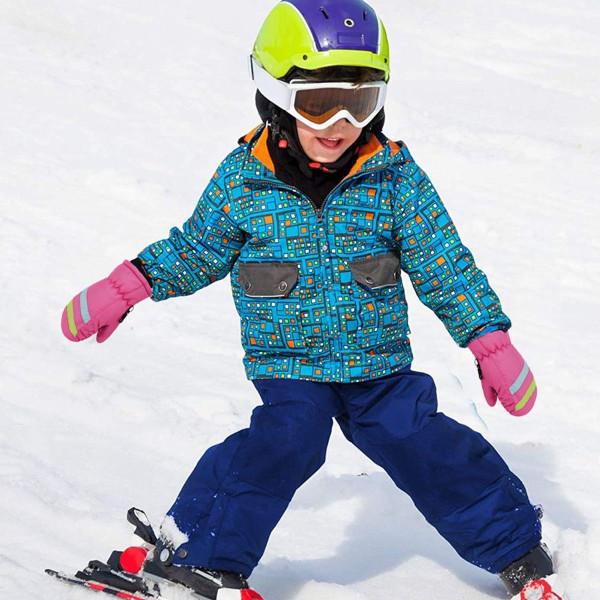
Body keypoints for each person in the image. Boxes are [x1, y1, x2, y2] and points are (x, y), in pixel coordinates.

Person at [60, 1, 564, 599]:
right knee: (287, 440)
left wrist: (490, 340)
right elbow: (196, 249)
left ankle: (516, 548)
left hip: (377, 365)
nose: (339, 122)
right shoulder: (244, 178)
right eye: (318, 102)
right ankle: (199, 555)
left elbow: (443, 263)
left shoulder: (394, 177)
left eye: (361, 101)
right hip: (288, 362)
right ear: (276, 98)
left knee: (422, 440)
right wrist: (127, 287)